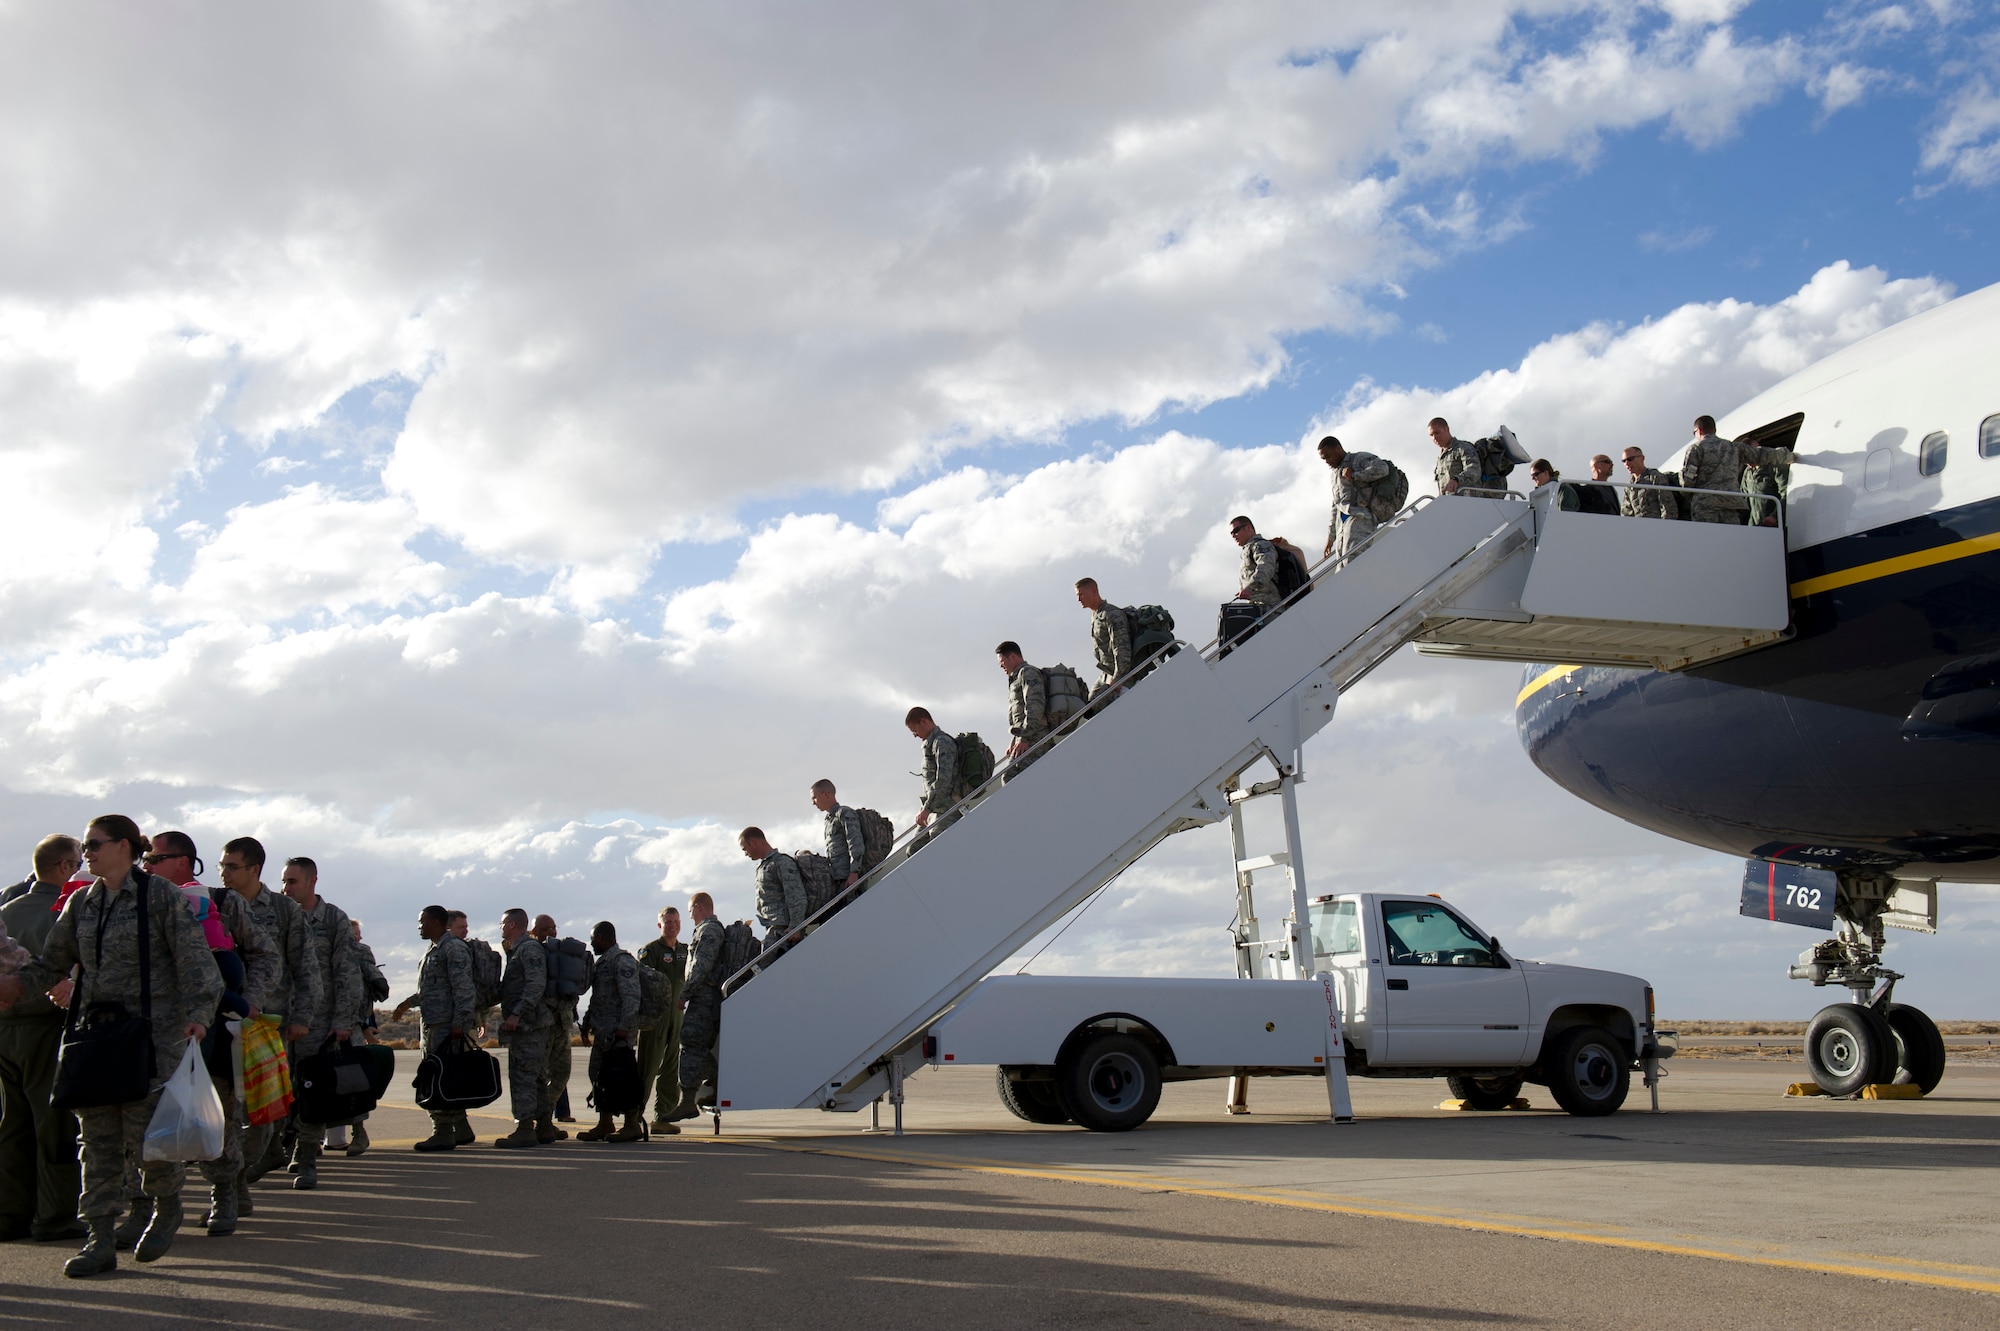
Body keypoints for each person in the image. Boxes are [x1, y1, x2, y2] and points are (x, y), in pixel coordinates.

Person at [19, 815, 222, 1277]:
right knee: (96, 1142)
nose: (86, 852)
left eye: (95, 844)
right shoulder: (83, 904)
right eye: (86, 844)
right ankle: (100, 1239)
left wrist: (198, 1017)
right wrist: (13, 987)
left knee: (148, 1142)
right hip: (94, 1039)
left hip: (150, 1041)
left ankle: (166, 1204)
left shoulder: (159, 897)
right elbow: (51, 963)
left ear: (125, 847)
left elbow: (196, 963)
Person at [146, 831, 279, 1239]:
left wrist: (248, 1003)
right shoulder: (140, 903)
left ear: (183, 862)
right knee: (151, 1118)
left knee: (217, 1114)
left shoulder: (220, 903)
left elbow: (265, 954)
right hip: (157, 1031)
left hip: (215, 1027)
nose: (147, 865)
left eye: (155, 858)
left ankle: (225, 1192)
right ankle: (156, 1203)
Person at [218, 838, 320, 1212]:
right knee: (227, 1111)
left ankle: (244, 1174)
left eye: (232, 867)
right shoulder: (215, 905)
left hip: (267, 1026)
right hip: (221, 1024)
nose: (225, 874)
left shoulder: (283, 910)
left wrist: (302, 1019)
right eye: (222, 866)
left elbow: (305, 969)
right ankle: (234, 1188)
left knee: (260, 1110)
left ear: (254, 870)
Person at [0, 836, 85, 1244]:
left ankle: (10, 1214)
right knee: (54, 1125)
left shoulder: (5, 912)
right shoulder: (67, 913)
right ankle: (55, 1216)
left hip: (4, 1031)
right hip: (47, 1029)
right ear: (66, 866)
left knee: (11, 1127)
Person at [277, 856, 364, 1189]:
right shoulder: (278, 915)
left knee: (313, 1093)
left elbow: (346, 971)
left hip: (320, 1022)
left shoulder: (332, 919)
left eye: (293, 882)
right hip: (281, 1020)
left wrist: (343, 1020)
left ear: (313, 881)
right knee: (280, 1091)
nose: (286, 888)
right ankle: (278, 1147)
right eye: (284, 881)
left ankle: (306, 1157)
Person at [410, 904, 476, 1153]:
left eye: (422, 921)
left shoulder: (453, 948)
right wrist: (408, 1003)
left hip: (446, 1027)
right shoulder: (433, 949)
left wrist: (460, 1022)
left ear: (437, 922)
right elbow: (431, 988)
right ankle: (461, 1128)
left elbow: (464, 989)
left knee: (437, 1078)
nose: (419, 926)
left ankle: (442, 1132)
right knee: (446, 1076)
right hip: (433, 1024)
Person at [578, 921, 642, 1143]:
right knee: (598, 1075)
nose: (592, 943)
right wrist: (586, 1024)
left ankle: (632, 1124)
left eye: (594, 939)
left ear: (603, 937)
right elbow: (597, 998)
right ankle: (605, 1122)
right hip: (604, 1034)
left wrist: (624, 1027)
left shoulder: (621, 961)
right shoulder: (603, 963)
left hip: (618, 1035)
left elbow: (631, 998)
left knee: (623, 1077)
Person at [492, 908, 550, 1149]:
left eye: (503, 923)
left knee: (523, 1076)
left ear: (513, 924)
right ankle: (544, 1127)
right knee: (535, 1076)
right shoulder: (516, 950)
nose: (501, 927)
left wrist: (517, 1013)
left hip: (529, 1024)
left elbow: (536, 984)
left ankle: (525, 1127)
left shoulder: (528, 948)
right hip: (529, 1023)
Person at [665, 892, 724, 1123]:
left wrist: (686, 992)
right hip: (703, 996)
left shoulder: (709, 930)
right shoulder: (706, 930)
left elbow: (702, 965)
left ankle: (688, 1101)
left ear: (698, 907)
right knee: (694, 1046)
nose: (690, 917)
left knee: (690, 1044)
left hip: (704, 997)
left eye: (690, 912)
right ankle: (714, 1081)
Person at [1681, 414, 1795, 524]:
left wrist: (1689, 497)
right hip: (1731, 505)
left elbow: (1688, 480)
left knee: (1709, 541)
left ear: (1699, 430)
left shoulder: (1696, 449)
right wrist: (1788, 456)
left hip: (1706, 506)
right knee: (1732, 540)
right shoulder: (1733, 447)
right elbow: (1761, 455)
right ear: (1714, 430)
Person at [637, 907, 687, 1135]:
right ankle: (634, 1116)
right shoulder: (651, 951)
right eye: (668, 922)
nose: (672, 926)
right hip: (655, 1018)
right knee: (647, 1068)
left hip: (677, 1017)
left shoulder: (686, 951)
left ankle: (662, 1117)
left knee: (670, 1069)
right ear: (660, 925)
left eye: (676, 921)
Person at [339, 918, 386, 1157]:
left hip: (352, 1024)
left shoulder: (360, 952)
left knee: (353, 1080)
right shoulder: (323, 947)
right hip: (318, 1024)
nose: (357, 937)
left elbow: (373, 983)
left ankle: (358, 1131)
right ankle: (306, 1140)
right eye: (353, 933)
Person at [529, 913, 577, 1139]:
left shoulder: (562, 955)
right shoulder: (531, 954)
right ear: (534, 932)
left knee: (562, 1074)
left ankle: (545, 1118)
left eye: (553, 928)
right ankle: (537, 1121)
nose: (552, 933)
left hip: (562, 1022)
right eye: (545, 929)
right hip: (542, 1025)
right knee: (539, 1075)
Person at [1318, 436, 1395, 561]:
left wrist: (1354, 475)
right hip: (1342, 526)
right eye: (1323, 458)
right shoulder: (1334, 475)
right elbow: (1336, 504)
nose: (1326, 461)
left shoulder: (1358, 459)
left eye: (1328, 456)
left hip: (1361, 518)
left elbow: (1382, 468)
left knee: (1354, 561)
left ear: (1338, 448)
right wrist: (1331, 537)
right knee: (1342, 568)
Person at [740, 827, 808, 951]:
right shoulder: (763, 866)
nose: (745, 853)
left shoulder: (781, 862)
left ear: (753, 842)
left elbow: (796, 895)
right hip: (774, 927)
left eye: (745, 848)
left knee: (766, 967)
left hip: (783, 929)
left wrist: (795, 926)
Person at [1073, 579, 1134, 700]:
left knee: (1099, 705)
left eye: (1082, 594)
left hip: (1121, 674)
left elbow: (1121, 648)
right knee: (1090, 707)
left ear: (1094, 591)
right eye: (1077, 595)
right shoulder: (1096, 616)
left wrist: (1118, 678)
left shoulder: (1111, 614)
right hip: (1106, 672)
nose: (1079, 599)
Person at [905, 708, 960, 842]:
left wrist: (927, 808)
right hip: (935, 807)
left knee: (938, 844)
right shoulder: (931, 744)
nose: (915, 735)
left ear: (923, 721)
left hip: (947, 807)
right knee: (914, 848)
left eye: (914, 730)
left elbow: (943, 779)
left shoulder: (942, 742)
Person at [996, 642, 1049, 777]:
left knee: (1012, 777)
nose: (1001, 666)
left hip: (1035, 736)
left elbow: (1035, 706)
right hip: (1027, 736)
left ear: (1012, 657)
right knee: (1011, 776)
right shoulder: (1017, 677)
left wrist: (1024, 738)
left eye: (1002, 661)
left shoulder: (1028, 673)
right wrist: (1015, 740)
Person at [811, 781, 866, 898]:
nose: (813, 802)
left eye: (815, 797)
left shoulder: (843, 812)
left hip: (850, 879)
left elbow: (855, 841)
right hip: (839, 879)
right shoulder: (829, 819)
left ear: (826, 794)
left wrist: (854, 872)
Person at [2, 834, 79, 909]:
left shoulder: (4, 910)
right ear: (64, 866)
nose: (78, 871)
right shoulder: (72, 911)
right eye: (78, 864)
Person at [1430, 417, 1502, 497]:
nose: (1434, 438)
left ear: (1447, 429)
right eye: (1431, 435)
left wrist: (1456, 479)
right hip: (1450, 503)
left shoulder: (1463, 448)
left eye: (1437, 433)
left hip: (1470, 501)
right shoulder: (1441, 459)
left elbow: (1474, 470)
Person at [1228, 516, 1282, 614]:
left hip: (1271, 606)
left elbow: (1265, 568)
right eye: (1231, 533)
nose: (1233, 536)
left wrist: (1248, 588)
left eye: (1236, 531)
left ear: (1248, 527)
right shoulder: (1247, 551)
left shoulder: (1261, 545)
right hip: (1258, 607)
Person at [1619, 447, 1676, 519]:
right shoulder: (1629, 487)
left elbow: (1668, 507)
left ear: (1642, 458)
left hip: (1657, 526)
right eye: (1624, 461)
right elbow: (1626, 514)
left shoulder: (1655, 477)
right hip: (1639, 528)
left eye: (1630, 459)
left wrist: (1664, 527)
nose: (1627, 463)